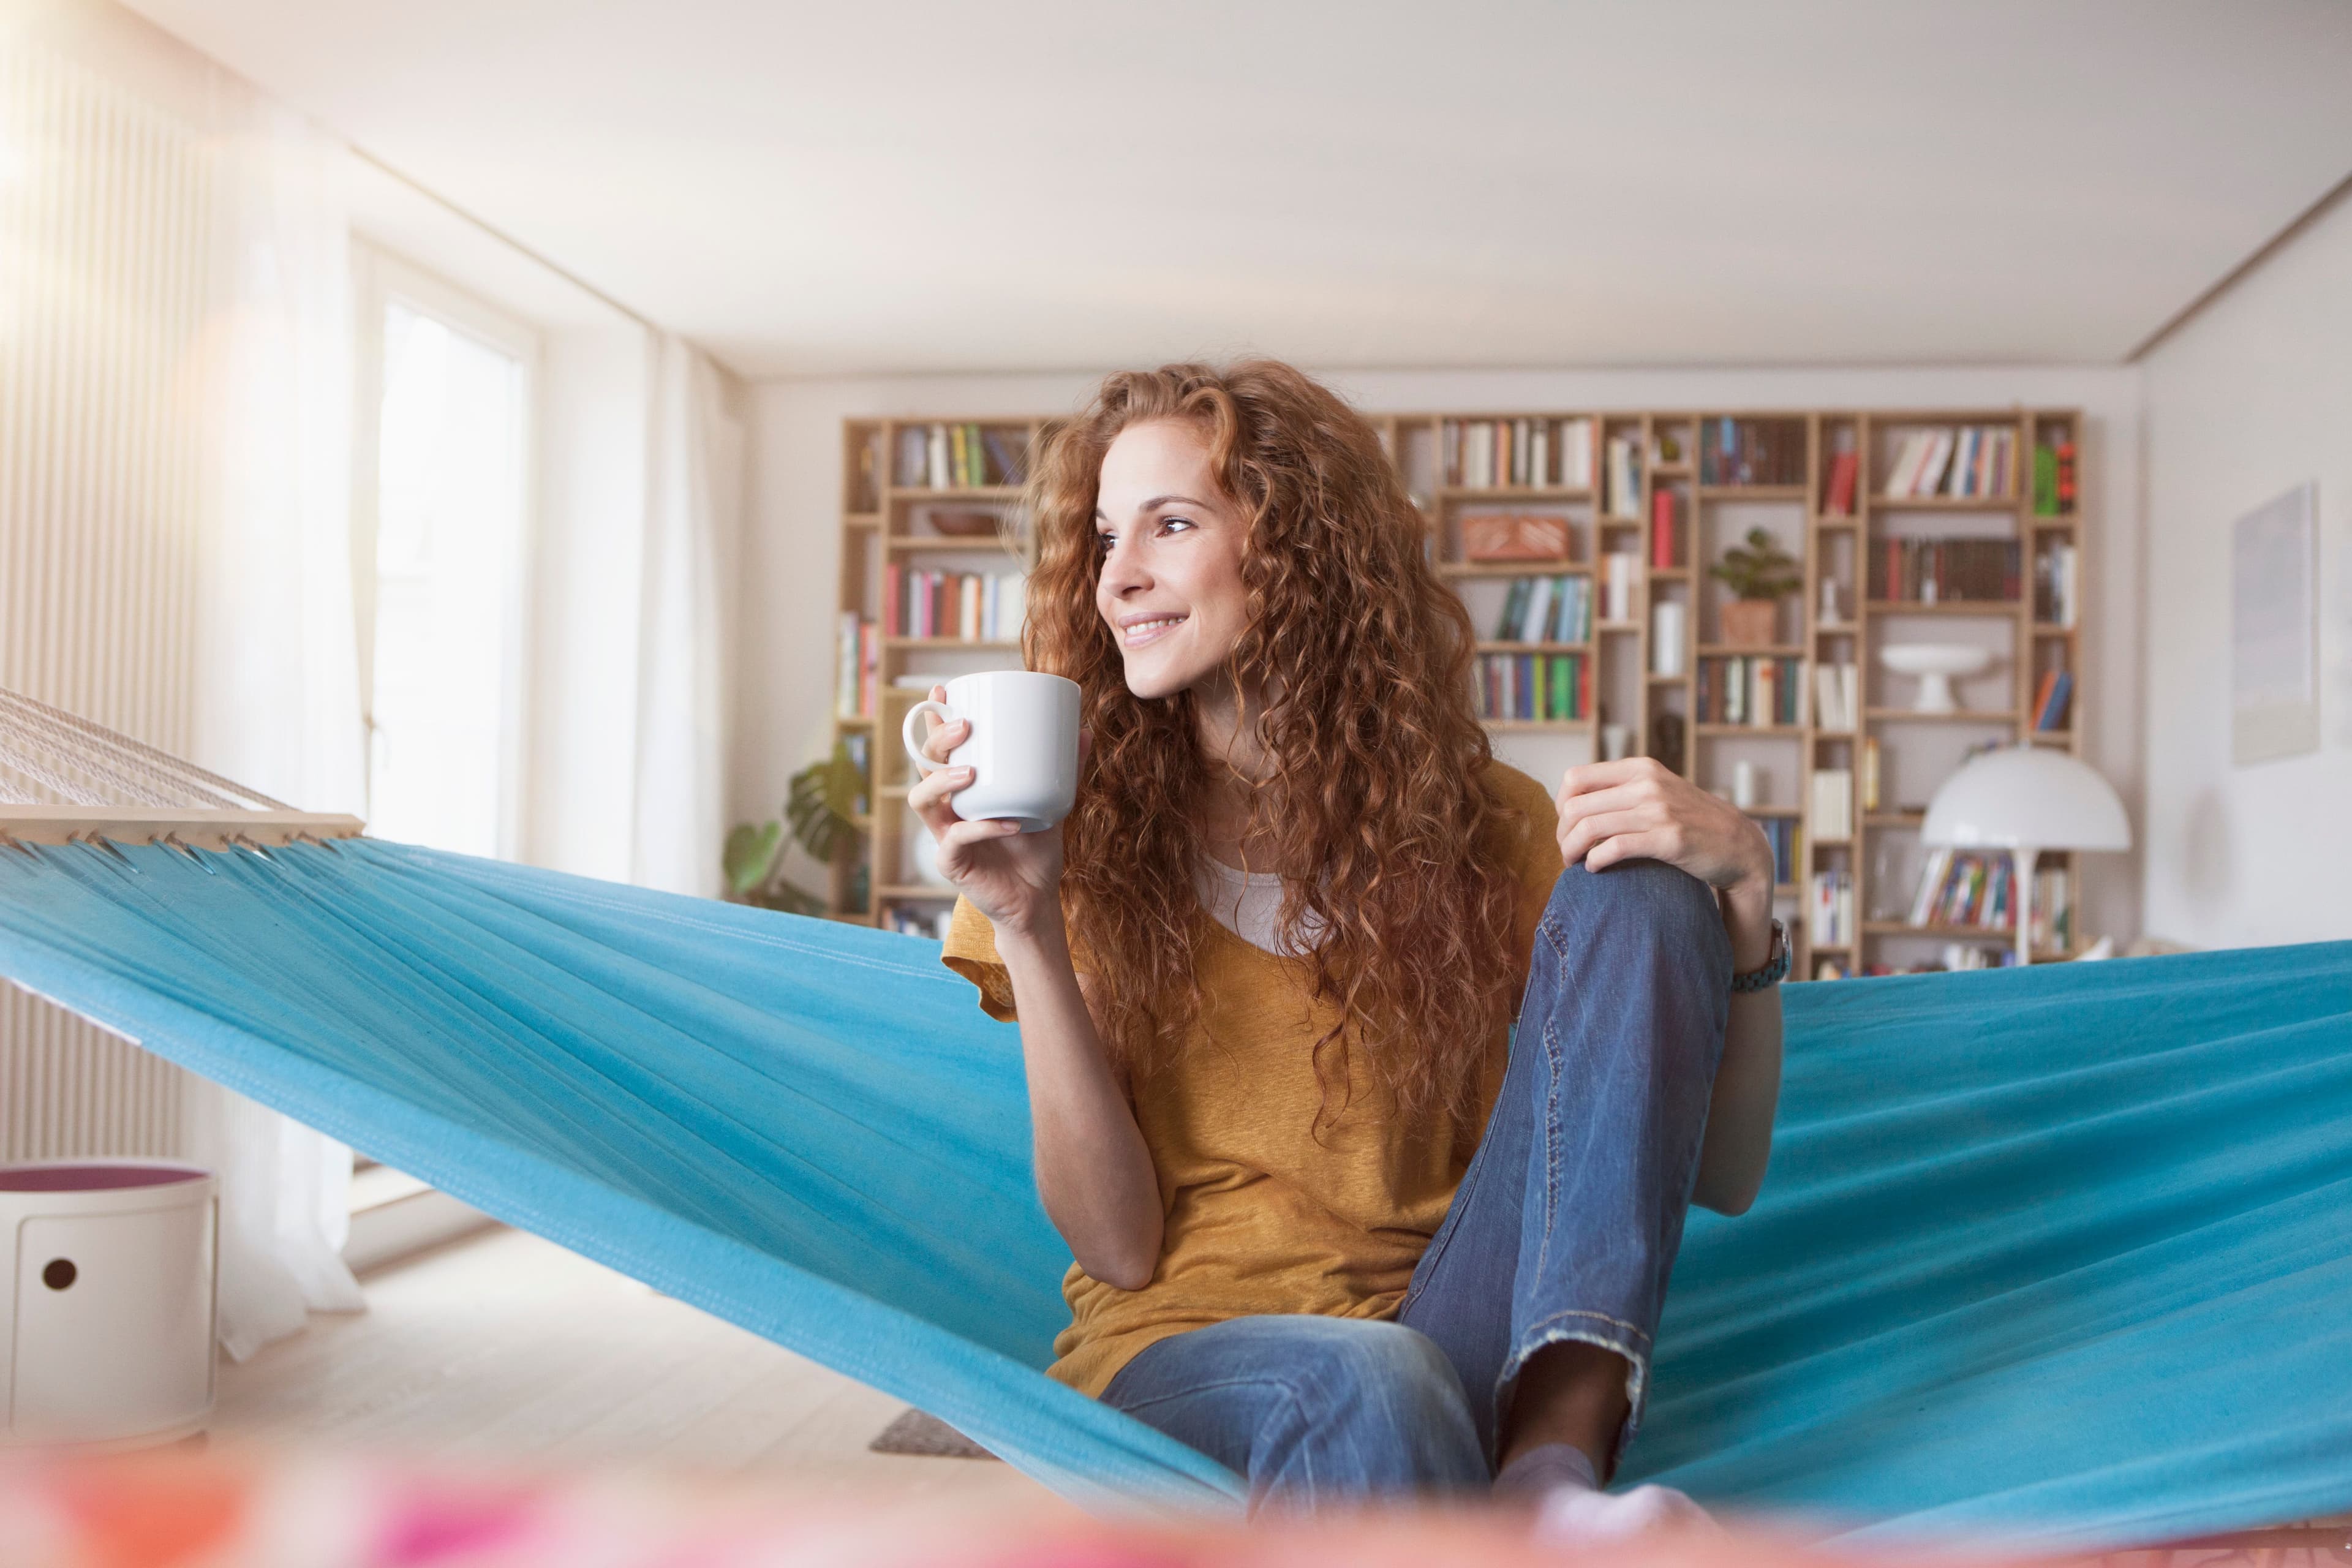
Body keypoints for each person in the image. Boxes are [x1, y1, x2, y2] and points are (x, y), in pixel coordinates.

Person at [910, 362, 1784, 1535]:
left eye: (1172, 525)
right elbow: (1117, 1250)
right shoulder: (1060, 845)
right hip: (1189, 1361)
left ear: (1298, 548)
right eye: (1107, 535)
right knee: (1368, 1381)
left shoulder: (1492, 830)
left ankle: (1550, 1484)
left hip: (1460, 1338)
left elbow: (1716, 1175)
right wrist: (1028, 922)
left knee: (1646, 888)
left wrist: (1747, 899)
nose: (1118, 578)